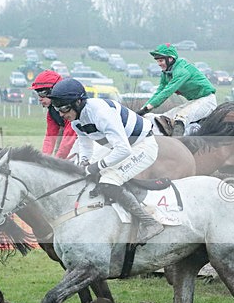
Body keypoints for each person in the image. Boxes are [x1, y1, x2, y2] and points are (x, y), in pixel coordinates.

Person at [48, 78, 164, 243]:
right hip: (117, 148)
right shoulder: (76, 121)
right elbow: (85, 144)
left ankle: (150, 223)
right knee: (82, 174)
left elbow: (124, 150)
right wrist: (85, 163)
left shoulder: (101, 113)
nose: (61, 114)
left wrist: (96, 167)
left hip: (143, 146)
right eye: (57, 109)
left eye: (64, 108)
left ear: (78, 102)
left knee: (109, 180)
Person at [137, 43, 217, 136]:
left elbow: (168, 91)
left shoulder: (181, 71)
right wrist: (143, 109)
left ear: (170, 59)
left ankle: (178, 145)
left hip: (207, 101)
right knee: (165, 118)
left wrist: (147, 108)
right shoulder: (166, 74)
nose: (159, 64)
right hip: (194, 101)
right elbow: (159, 92)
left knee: (180, 118)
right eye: (157, 61)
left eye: (161, 60)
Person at [31, 70, 77, 159]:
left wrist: (57, 162)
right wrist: (43, 159)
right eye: (38, 94)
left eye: (42, 93)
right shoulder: (51, 112)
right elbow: (50, 138)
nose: (40, 99)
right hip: (69, 135)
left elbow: (68, 140)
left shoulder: (70, 109)